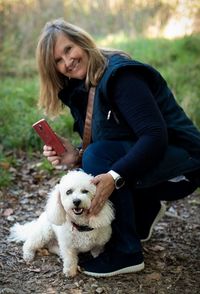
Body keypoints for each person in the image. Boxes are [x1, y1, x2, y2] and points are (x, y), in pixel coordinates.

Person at [36, 18, 200, 277]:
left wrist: (114, 176)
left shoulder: (121, 75)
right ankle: (143, 213)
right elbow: (113, 138)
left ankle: (126, 252)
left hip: (186, 162)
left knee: (99, 156)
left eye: (68, 50)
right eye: (57, 60)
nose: (66, 62)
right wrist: (74, 155)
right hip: (159, 160)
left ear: (82, 42)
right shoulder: (82, 88)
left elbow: (154, 135)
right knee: (94, 154)